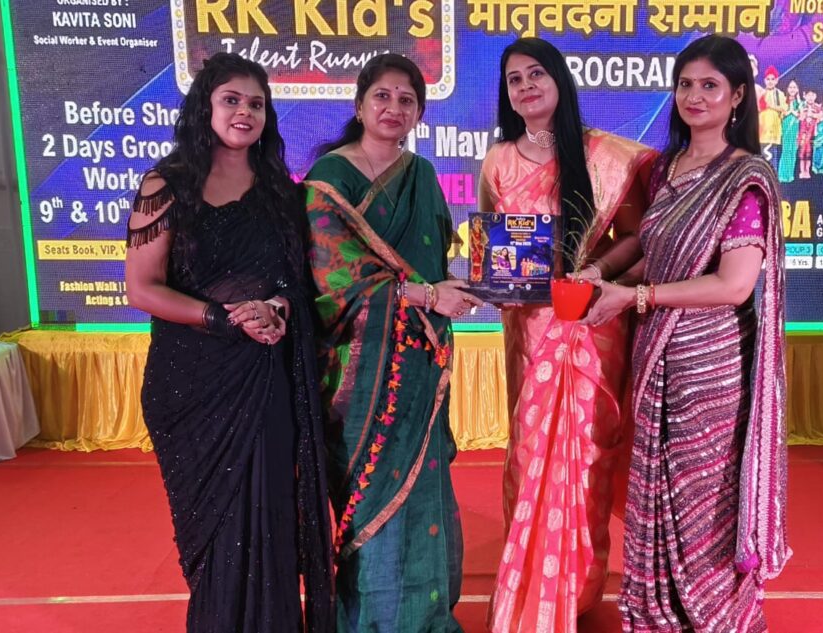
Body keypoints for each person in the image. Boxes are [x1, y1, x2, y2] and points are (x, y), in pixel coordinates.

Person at [583, 35, 789, 632]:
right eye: (685, 85)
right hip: (658, 353)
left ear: (738, 96)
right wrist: (599, 274)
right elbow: (656, 255)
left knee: (704, 493)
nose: (694, 96)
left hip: (712, 364)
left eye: (710, 86)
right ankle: (661, 612)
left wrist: (636, 297)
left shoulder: (745, 177)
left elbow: (734, 284)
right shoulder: (666, 168)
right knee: (660, 483)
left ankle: (716, 613)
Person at [125, 53, 333, 632]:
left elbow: (296, 282)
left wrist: (276, 308)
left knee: (269, 522)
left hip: (262, 377)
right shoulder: (167, 185)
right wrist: (220, 318)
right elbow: (142, 287)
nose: (245, 112)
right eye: (232, 100)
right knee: (213, 536)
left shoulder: (280, 192)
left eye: (256, 104)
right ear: (205, 107)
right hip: (189, 385)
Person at [478, 37, 657, 633]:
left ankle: (576, 590)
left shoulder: (604, 155)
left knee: (586, 460)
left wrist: (595, 271)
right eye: (514, 80)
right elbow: (495, 245)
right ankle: (529, 584)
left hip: (589, 326)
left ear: (559, 80)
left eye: (536, 74)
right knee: (530, 455)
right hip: (529, 329)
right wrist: (497, 280)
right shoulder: (499, 160)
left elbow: (637, 237)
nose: (526, 86)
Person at [303, 53, 481, 633]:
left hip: (421, 361)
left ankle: (423, 618)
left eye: (407, 100)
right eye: (382, 96)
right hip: (358, 370)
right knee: (367, 496)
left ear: (419, 113)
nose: (393, 108)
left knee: (423, 484)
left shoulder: (421, 175)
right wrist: (428, 296)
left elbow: (433, 261)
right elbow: (334, 282)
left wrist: (463, 289)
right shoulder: (329, 181)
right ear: (360, 105)